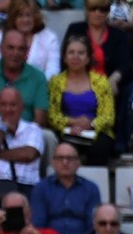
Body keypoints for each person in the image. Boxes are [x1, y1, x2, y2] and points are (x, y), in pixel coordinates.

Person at [47, 35, 115, 166]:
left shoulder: (101, 82)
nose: (76, 57)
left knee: (101, 147)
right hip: (66, 131)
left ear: (88, 58)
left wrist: (91, 124)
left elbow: (109, 116)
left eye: (81, 53)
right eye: (71, 52)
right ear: (64, 57)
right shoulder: (55, 82)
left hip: (97, 131)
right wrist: (72, 122)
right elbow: (52, 115)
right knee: (65, 148)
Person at [0, 86, 43, 204]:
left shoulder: (33, 128)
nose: (8, 109)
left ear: (21, 107)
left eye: (13, 105)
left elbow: (28, 154)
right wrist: (2, 127)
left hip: (25, 185)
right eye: (3, 104)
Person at [29, 142, 102, 234]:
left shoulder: (91, 188)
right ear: (53, 162)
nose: (65, 162)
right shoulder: (41, 188)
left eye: (70, 158)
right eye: (60, 158)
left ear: (78, 163)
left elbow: (92, 225)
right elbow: (39, 225)